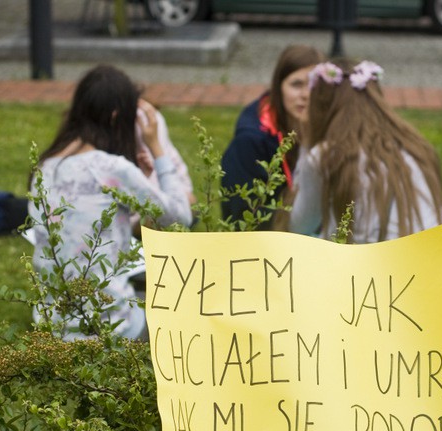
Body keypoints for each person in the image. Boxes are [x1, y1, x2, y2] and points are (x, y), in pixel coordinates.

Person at [28, 65, 192, 341]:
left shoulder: (45, 167)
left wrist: (139, 178)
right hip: (109, 329)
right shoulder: (114, 169)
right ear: (118, 117)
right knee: (179, 305)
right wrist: (157, 150)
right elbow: (180, 217)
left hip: (52, 323)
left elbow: (93, 222)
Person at [288, 59, 442, 244]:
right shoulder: (413, 145)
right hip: (435, 260)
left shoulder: (327, 154)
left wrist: (306, 144)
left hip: (377, 268)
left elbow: (299, 226)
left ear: (322, 107)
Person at [220, 44, 325, 229]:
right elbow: (243, 215)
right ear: (278, 87)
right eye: (297, 84)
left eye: (315, 85)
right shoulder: (251, 140)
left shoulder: (332, 129)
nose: (306, 95)